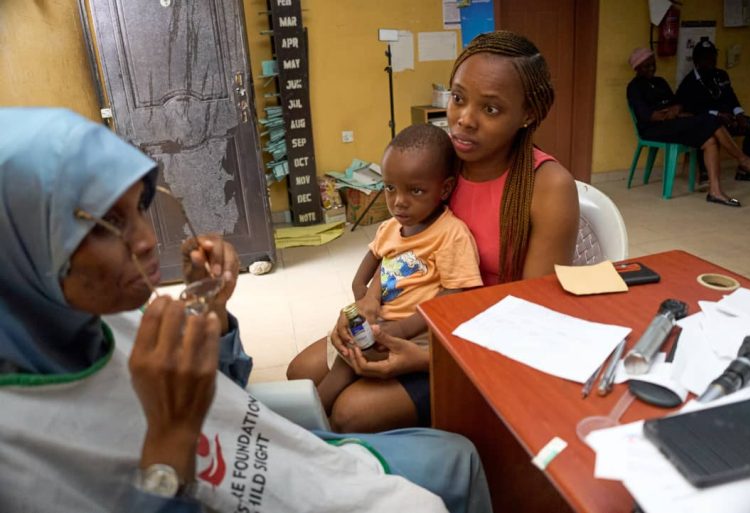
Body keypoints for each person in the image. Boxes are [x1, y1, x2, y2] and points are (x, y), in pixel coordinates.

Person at [0, 108, 493, 513]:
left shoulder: (110, 322)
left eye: (141, 208)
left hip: (290, 462)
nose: (150, 242)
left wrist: (214, 321)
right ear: (21, 248)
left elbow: (228, 399)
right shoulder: (17, 457)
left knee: (457, 459)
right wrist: (170, 446)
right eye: (109, 222)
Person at [288, 31, 579, 434]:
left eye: (491, 109)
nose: (464, 119)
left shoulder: (547, 186)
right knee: (300, 374)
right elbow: (397, 252)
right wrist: (363, 310)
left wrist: (422, 358)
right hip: (409, 319)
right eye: (458, 98)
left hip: (481, 342)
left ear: (527, 113)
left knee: (353, 413)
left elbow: (535, 317)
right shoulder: (439, 164)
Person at [293, 124, 483, 432]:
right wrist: (365, 303)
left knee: (354, 355)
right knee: (347, 346)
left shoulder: (451, 235)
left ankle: (312, 423)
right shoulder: (391, 229)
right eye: (390, 188)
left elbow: (457, 293)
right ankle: (313, 416)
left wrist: (401, 328)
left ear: (445, 189)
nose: (399, 202)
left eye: (415, 190)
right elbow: (364, 277)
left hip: (419, 333)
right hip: (384, 324)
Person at [626, 47, 750, 207]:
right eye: (646, 66)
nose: (651, 68)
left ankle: (715, 191)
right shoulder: (634, 87)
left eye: (653, 64)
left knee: (710, 140)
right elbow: (646, 116)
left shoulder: (661, 82)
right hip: (654, 129)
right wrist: (667, 114)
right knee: (711, 120)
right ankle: (743, 160)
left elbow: (677, 103)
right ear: (637, 69)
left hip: (674, 124)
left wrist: (675, 110)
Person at [676, 39, 750, 178]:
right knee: (706, 131)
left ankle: (744, 169)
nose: (711, 61)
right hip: (706, 121)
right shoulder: (689, 83)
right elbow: (690, 111)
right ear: (696, 61)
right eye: (706, 58)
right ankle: (705, 172)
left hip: (728, 119)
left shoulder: (721, 75)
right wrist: (717, 114)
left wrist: (739, 114)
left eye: (713, 57)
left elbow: (731, 97)